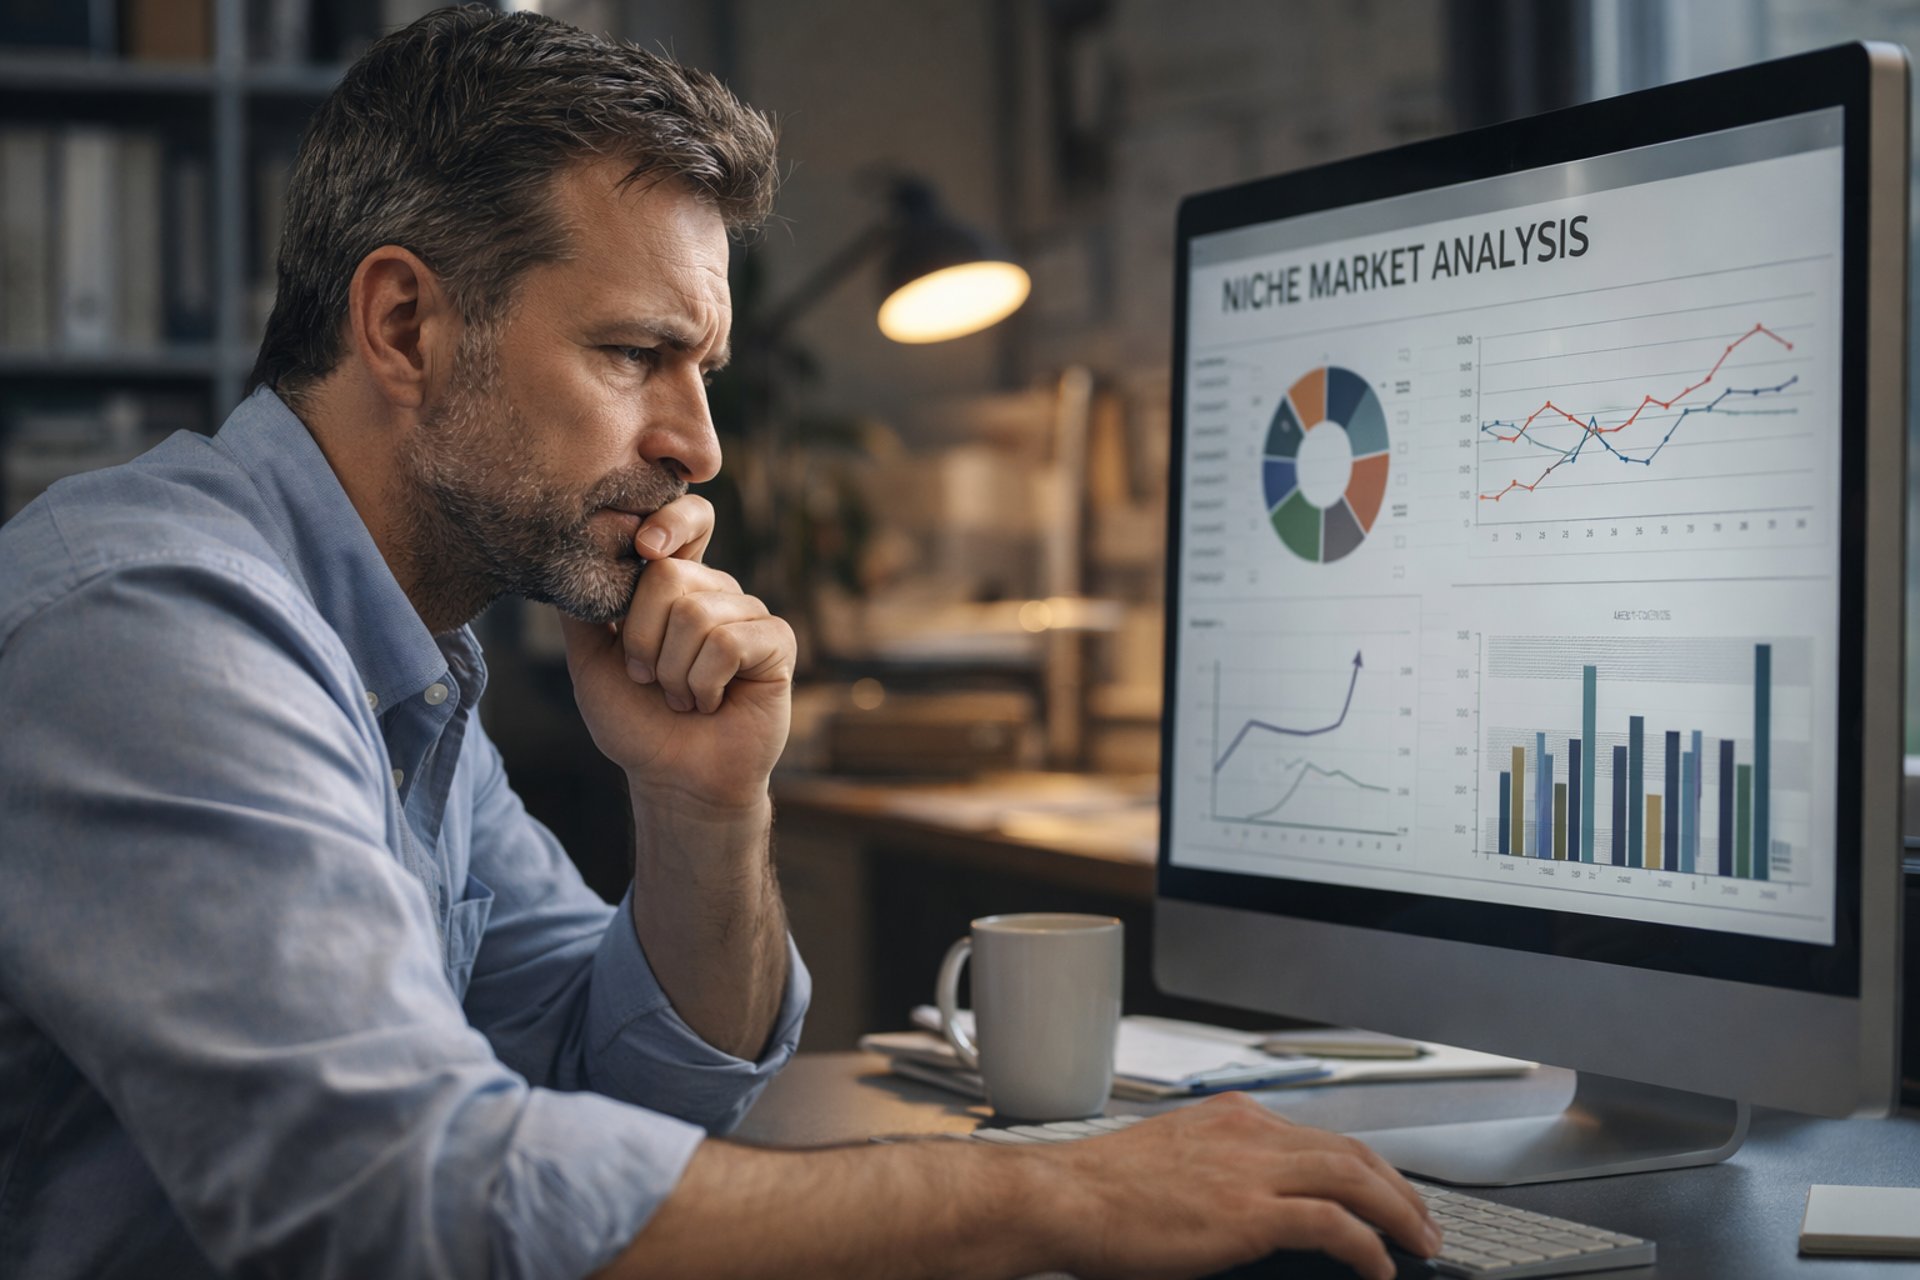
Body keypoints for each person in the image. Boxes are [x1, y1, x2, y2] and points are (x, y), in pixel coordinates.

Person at [0, 8, 1441, 1279]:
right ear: (404, 325)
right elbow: (396, 1201)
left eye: (704, 369)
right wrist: (1053, 1196)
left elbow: (628, 1094)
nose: (697, 445)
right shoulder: (157, 627)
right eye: (635, 355)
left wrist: (704, 804)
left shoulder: (402, 661)